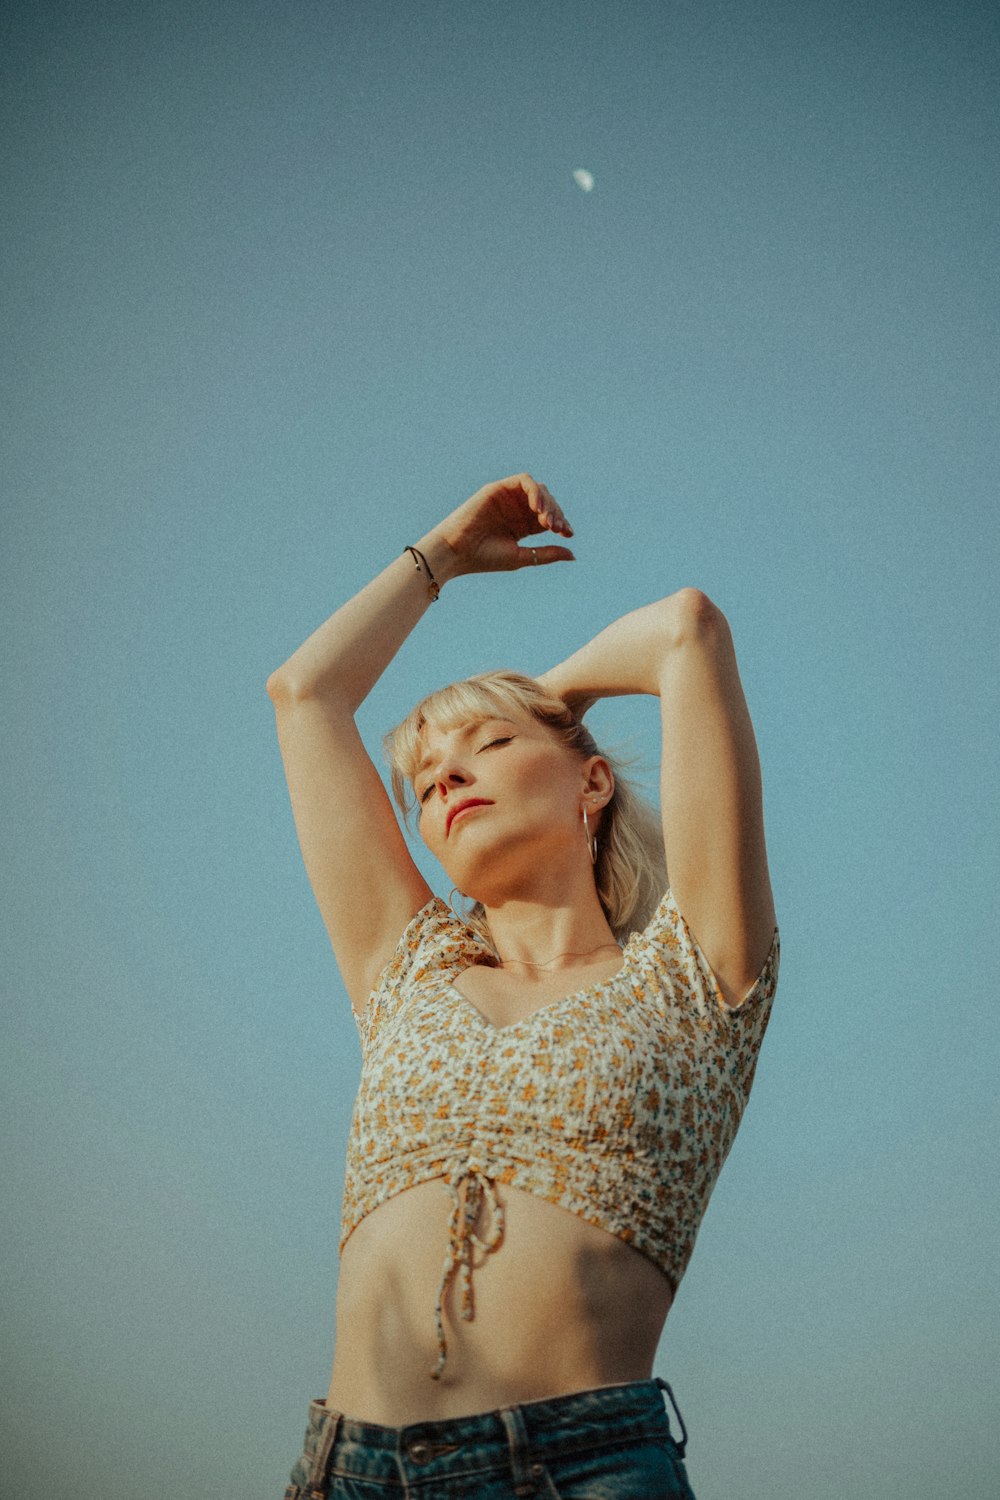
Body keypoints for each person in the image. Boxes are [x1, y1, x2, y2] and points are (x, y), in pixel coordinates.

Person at [266, 474, 780, 1500]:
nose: (445, 778)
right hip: (347, 1473)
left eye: (486, 749)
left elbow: (687, 629)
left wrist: (553, 699)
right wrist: (443, 555)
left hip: (580, 1471)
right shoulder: (408, 967)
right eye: (424, 783)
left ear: (592, 782)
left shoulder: (694, 976)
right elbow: (304, 694)